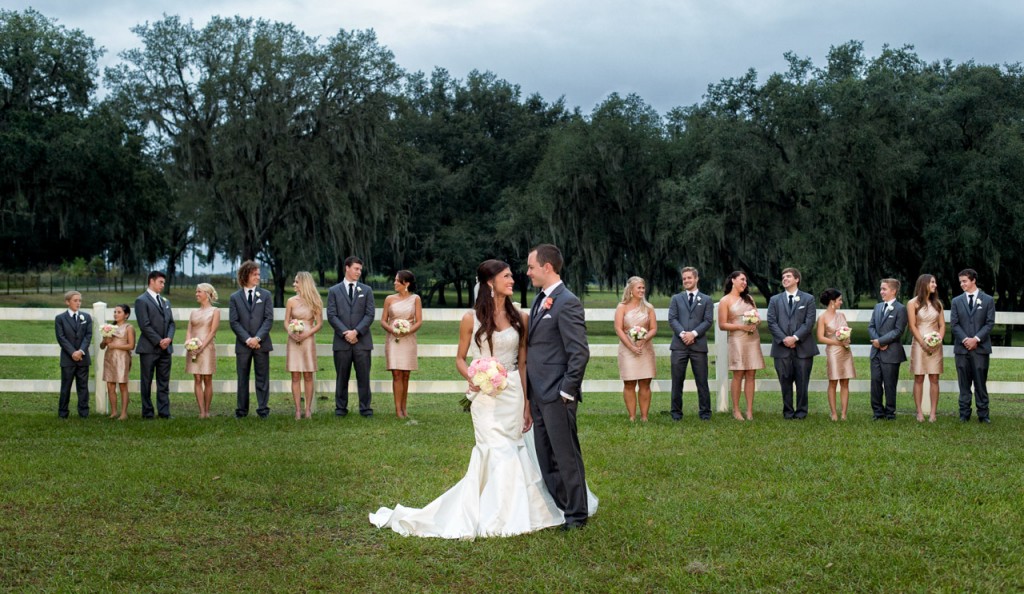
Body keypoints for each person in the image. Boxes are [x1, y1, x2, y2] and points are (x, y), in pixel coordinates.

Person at [369, 260, 597, 538]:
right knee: (492, 449)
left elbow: (523, 363)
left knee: (515, 447)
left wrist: (527, 402)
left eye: (513, 274)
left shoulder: (520, 317)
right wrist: (475, 378)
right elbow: (460, 358)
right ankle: (492, 512)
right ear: (490, 282)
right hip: (485, 399)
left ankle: (522, 508)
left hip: (512, 391)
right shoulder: (470, 319)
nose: (513, 279)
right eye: (506, 276)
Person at [526, 244, 592, 530]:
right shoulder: (540, 299)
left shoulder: (567, 301)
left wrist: (566, 391)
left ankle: (577, 515)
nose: (527, 272)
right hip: (538, 394)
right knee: (546, 457)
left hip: (557, 395)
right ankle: (562, 507)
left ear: (547, 267)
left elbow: (579, 352)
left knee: (566, 457)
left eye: (531, 267)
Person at [327, 256, 375, 417]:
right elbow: (332, 315)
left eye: (360, 269)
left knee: (364, 377)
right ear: (347, 268)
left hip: (362, 342)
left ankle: (365, 408)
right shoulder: (333, 291)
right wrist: (346, 333)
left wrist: (356, 332)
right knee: (342, 377)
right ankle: (341, 409)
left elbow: (370, 314)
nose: (359, 272)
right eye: (356, 269)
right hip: (342, 342)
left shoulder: (366, 290)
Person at [766, 267, 817, 419]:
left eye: (788, 276)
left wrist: (795, 338)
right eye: (783, 277)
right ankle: (788, 412)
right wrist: (784, 339)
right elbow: (771, 322)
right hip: (781, 348)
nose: (785, 279)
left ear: (797, 279)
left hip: (803, 348)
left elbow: (809, 323)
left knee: (802, 382)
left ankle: (801, 412)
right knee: (785, 381)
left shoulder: (808, 299)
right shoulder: (775, 300)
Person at [717, 271, 765, 421]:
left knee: (751, 374)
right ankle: (736, 410)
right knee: (738, 374)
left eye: (746, 280)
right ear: (733, 280)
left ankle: (749, 410)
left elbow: (757, 317)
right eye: (742, 279)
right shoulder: (725, 301)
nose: (745, 282)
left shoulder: (749, 299)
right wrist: (740, 327)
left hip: (752, 338)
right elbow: (722, 324)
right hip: (737, 339)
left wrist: (755, 321)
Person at [229, 261, 274, 419]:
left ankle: (263, 410)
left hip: (261, 344)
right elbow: (234, 322)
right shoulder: (234, 297)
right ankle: (241, 410)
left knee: (262, 378)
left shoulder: (266, 295)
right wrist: (247, 339)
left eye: (258, 274)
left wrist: (257, 338)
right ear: (245, 275)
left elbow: (268, 319)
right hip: (243, 345)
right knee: (242, 378)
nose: (258, 277)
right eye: (254, 274)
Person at [668, 267, 713, 421]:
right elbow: (672, 319)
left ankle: (705, 413)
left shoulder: (706, 299)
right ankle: (675, 413)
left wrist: (693, 334)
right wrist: (683, 334)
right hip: (679, 346)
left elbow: (708, 321)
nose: (686, 281)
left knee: (702, 381)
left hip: (698, 346)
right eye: (684, 278)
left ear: (696, 279)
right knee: (677, 381)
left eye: (689, 278)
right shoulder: (676, 298)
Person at [951, 268, 995, 423]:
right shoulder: (956, 301)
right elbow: (954, 324)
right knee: (963, 383)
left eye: (965, 281)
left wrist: (976, 339)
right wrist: (965, 340)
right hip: (962, 350)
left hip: (981, 349)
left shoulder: (988, 300)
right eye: (960, 282)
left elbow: (989, 324)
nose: (962, 284)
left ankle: (983, 414)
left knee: (980, 383)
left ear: (973, 280)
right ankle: (964, 413)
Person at [614, 277, 657, 422]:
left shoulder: (649, 308)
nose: (642, 290)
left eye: (643, 288)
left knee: (645, 382)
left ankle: (644, 416)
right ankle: (632, 416)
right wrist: (631, 346)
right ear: (631, 290)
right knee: (629, 383)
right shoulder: (622, 307)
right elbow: (618, 329)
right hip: (627, 350)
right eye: (639, 288)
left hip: (645, 349)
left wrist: (644, 340)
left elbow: (653, 329)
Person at [381, 270, 422, 419]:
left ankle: (405, 408)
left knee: (406, 375)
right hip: (393, 339)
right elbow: (383, 320)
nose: (394, 283)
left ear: (407, 284)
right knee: (396, 374)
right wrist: (392, 330)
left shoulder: (415, 299)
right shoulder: (389, 299)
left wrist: (408, 331)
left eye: (398, 281)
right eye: (395, 280)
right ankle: (398, 410)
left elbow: (419, 321)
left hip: (408, 339)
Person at [135, 271, 175, 419]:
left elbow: (171, 323)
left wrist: (168, 339)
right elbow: (144, 325)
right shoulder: (141, 300)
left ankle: (164, 412)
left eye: (164, 283)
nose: (163, 285)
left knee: (163, 382)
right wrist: (159, 341)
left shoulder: (165, 301)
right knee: (146, 381)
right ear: (151, 281)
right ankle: (147, 412)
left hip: (166, 349)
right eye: (161, 282)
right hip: (149, 349)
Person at [285, 272, 323, 420]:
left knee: (308, 374)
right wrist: (291, 332)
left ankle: (308, 409)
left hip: (308, 339)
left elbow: (319, 323)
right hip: (293, 339)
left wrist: (307, 334)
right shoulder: (291, 301)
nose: (294, 284)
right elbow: (286, 321)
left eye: (296, 282)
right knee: (295, 375)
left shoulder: (315, 301)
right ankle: (297, 410)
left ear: (304, 283)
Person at [868, 278, 908, 421]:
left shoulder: (901, 309)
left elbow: (898, 330)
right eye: (881, 289)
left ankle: (890, 412)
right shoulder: (877, 307)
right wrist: (877, 342)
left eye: (884, 289)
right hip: (876, 352)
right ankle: (877, 412)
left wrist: (882, 341)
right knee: (875, 382)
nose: (881, 292)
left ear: (893, 291)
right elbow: (871, 326)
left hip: (891, 353)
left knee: (890, 384)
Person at [907, 274, 945, 422]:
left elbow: (942, 325)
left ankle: (933, 413)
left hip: (935, 345)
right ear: (924, 284)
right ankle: (919, 412)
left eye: (935, 282)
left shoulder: (938, 304)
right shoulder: (913, 303)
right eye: (932, 282)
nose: (935, 285)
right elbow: (912, 325)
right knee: (919, 377)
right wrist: (923, 343)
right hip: (919, 343)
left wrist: (937, 341)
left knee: (935, 378)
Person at [815, 288, 854, 421]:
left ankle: (843, 413)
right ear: (832, 301)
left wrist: (847, 339)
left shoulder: (841, 315)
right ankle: (834, 413)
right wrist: (836, 342)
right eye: (839, 300)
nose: (841, 302)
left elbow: (847, 331)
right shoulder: (823, 317)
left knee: (845, 381)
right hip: (833, 351)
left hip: (846, 351)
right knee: (833, 382)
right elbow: (820, 337)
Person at [185, 283, 220, 419]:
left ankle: (207, 410)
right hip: (193, 349)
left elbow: (212, 332)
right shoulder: (193, 312)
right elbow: (189, 330)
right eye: (196, 291)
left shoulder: (215, 311)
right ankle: (201, 411)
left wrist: (201, 347)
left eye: (199, 292)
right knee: (197, 378)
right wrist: (189, 345)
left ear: (207, 294)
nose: (196, 294)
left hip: (207, 348)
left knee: (207, 378)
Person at [55, 290, 92, 418]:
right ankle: (63, 412)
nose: (78, 303)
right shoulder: (60, 318)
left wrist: (81, 351)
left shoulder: (86, 317)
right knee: (66, 387)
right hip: (68, 358)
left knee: (83, 386)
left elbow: (88, 336)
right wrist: (72, 352)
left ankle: (83, 412)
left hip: (83, 358)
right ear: (67, 302)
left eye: (80, 300)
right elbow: (61, 338)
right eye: (75, 300)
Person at [100, 304, 135, 420]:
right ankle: (114, 412)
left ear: (126, 315)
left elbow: (131, 345)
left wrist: (115, 345)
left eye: (119, 312)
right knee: (110, 385)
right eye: (115, 312)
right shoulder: (109, 328)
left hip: (122, 358)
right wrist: (105, 341)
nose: (116, 314)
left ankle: (124, 413)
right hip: (109, 358)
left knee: (122, 385)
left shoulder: (129, 327)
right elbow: (102, 346)